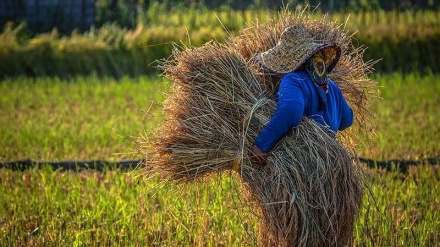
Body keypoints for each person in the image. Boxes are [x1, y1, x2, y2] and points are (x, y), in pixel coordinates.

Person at [248, 25, 354, 165]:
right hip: (330, 163)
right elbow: (347, 120)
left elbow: (291, 110)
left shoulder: (293, 80)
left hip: (304, 164)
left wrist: (261, 145)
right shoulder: (331, 85)